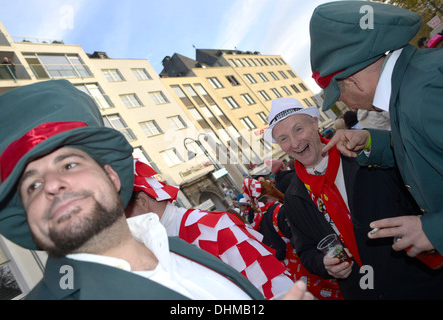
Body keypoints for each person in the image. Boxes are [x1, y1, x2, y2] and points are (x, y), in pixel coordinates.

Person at [0, 80, 312, 300]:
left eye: (70, 164)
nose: (51, 184)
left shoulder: (183, 254)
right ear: (27, 217)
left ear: (113, 178)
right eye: (32, 185)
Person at [264, 97, 443, 299]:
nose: (295, 143)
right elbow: (305, 250)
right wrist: (323, 264)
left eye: (298, 129)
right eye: (284, 139)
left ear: (314, 124)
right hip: (363, 291)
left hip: (419, 279)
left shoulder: (363, 156)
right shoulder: (293, 197)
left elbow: (415, 196)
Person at [309, 1, 443, 261]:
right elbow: (426, 145)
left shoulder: (425, 95)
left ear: (352, 81)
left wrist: (434, 231)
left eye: (340, 96)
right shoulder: (412, 84)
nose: (345, 104)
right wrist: (370, 141)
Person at [124, 159, 293, 299]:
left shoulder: (211, 227)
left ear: (143, 201)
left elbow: (275, 287)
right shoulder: (151, 246)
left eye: (124, 215)